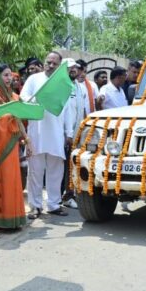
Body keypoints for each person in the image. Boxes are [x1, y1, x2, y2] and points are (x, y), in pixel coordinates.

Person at [20, 52, 70, 218]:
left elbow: (68, 110)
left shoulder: (63, 83)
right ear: (44, 63)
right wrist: (39, 99)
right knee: (35, 171)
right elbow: (23, 97)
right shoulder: (34, 79)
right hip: (37, 133)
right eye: (48, 62)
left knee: (56, 171)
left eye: (54, 63)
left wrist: (68, 133)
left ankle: (54, 204)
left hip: (56, 134)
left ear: (59, 65)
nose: (50, 65)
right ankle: (35, 206)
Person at [0, 64, 30, 230]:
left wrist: (27, 139)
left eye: (10, 75)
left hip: (12, 144)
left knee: (12, 179)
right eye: (5, 75)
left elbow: (19, 120)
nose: (9, 78)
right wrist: (8, 115)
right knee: (0, 178)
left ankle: (12, 218)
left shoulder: (13, 96)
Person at [61, 60, 86, 209]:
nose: (73, 69)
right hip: (65, 134)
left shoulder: (79, 87)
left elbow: (81, 110)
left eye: (75, 67)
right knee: (64, 167)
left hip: (77, 133)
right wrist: (67, 134)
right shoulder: (62, 87)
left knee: (72, 166)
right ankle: (64, 196)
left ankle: (70, 194)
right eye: (69, 67)